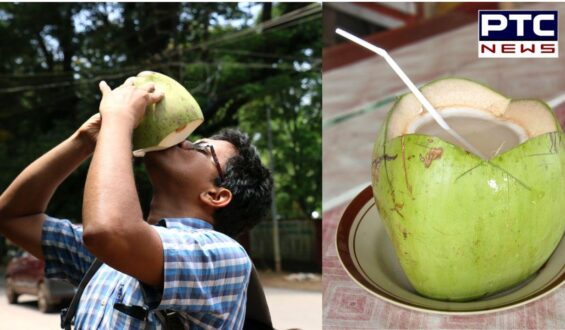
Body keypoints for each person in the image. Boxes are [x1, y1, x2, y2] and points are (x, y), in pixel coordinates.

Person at [0, 78, 273, 329]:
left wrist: (119, 120)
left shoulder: (225, 256)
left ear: (216, 195)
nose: (185, 142)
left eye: (202, 149)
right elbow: (13, 216)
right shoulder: (109, 259)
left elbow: (109, 232)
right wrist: (84, 141)